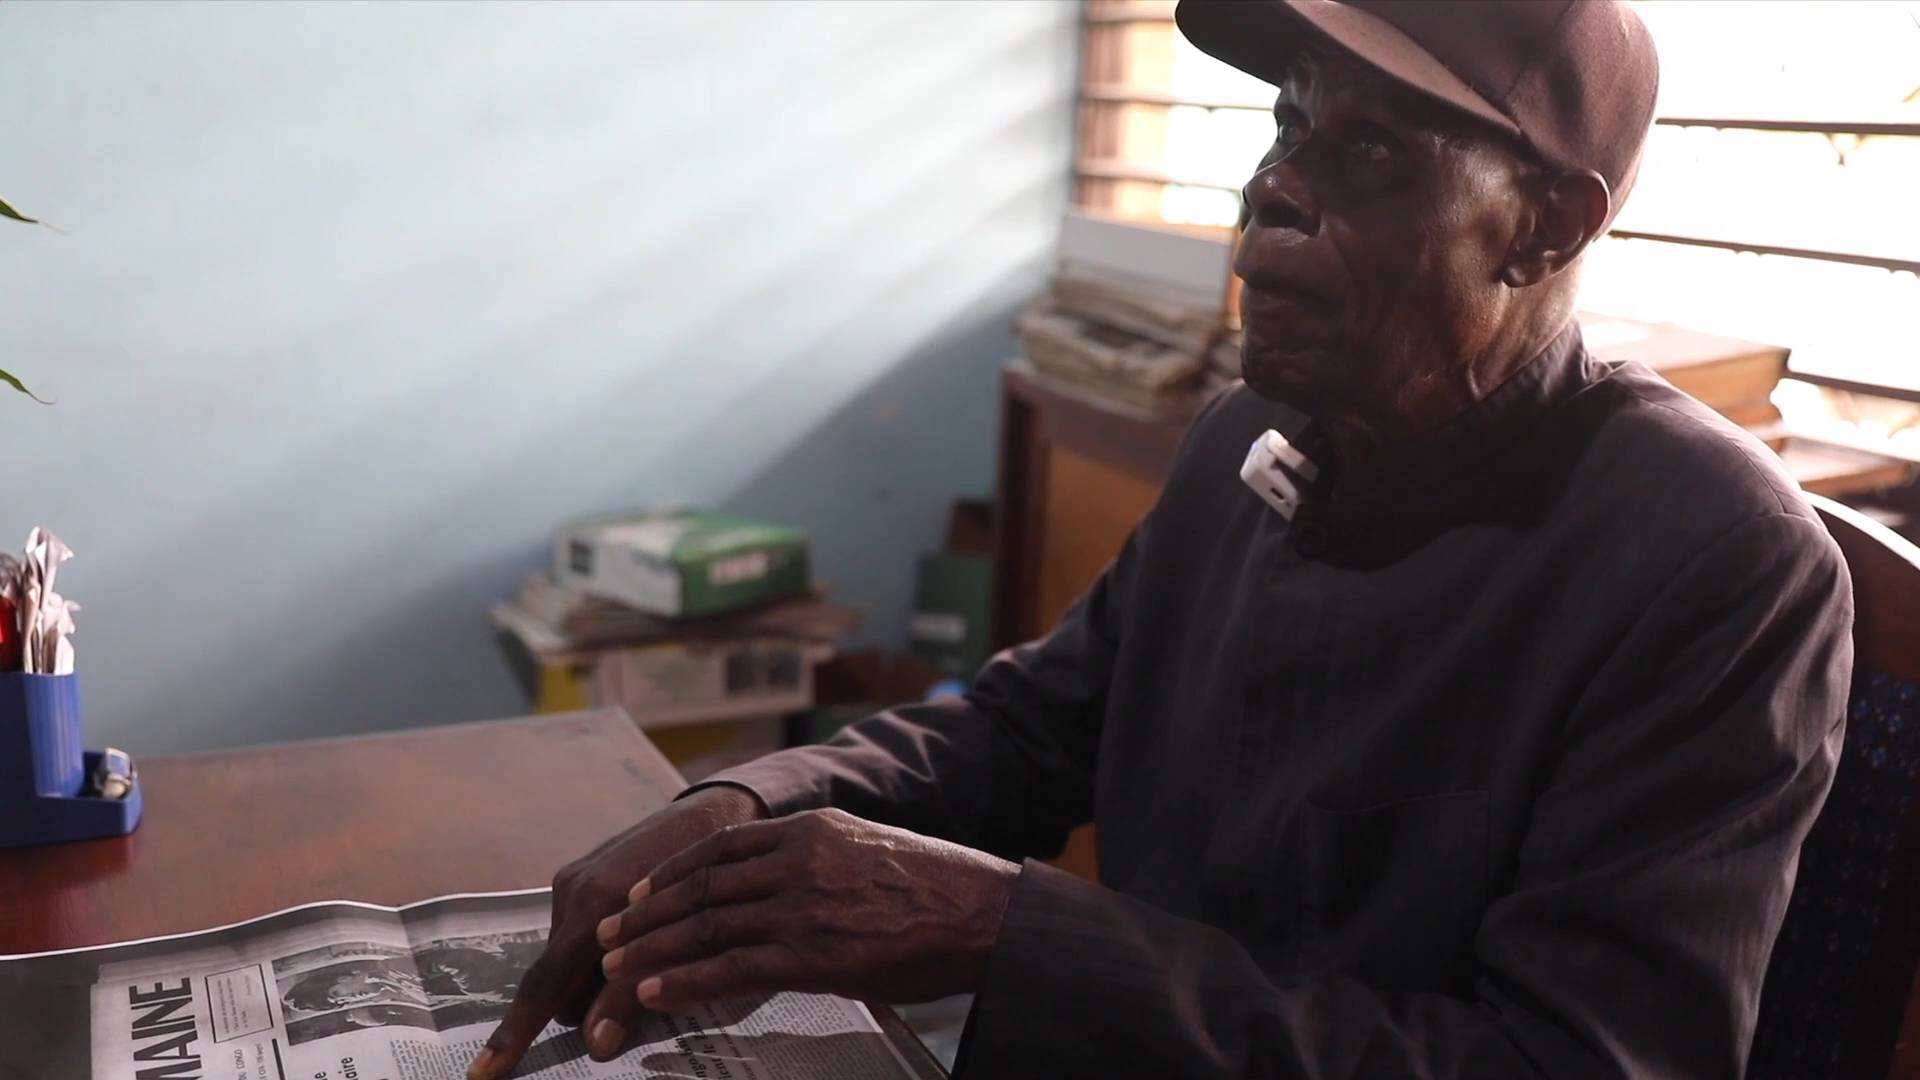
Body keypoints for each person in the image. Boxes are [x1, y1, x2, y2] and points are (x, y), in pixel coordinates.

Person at [469, 2, 1855, 1076]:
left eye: (1372, 146)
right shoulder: (1248, 437)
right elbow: (1026, 725)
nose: (1277, 188)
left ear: (1546, 225)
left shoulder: (1716, 564)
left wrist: (1006, 931)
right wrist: (747, 809)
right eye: (1288, 125)